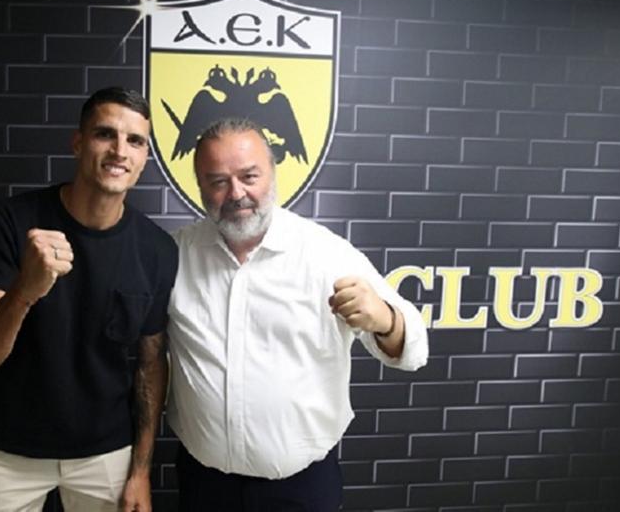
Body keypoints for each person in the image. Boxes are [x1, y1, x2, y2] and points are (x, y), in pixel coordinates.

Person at [166, 118, 429, 511]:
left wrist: (386, 319)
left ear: (272, 173)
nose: (236, 193)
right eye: (218, 181)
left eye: (249, 176)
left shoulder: (325, 253)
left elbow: (415, 351)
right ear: (200, 186)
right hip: (204, 485)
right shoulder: (174, 254)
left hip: (302, 489)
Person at [0, 87, 177, 512]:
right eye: (105, 134)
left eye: (135, 141)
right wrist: (25, 290)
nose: (120, 151)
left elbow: (150, 365)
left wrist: (141, 471)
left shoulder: (158, 249)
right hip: (7, 450)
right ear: (78, 143)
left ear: (144, 158)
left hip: (106, 454)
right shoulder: (9, 222)